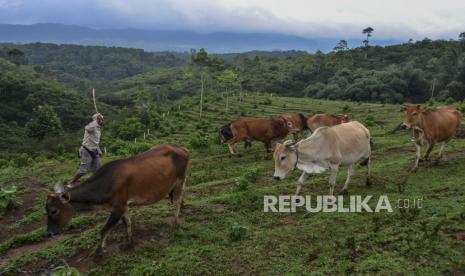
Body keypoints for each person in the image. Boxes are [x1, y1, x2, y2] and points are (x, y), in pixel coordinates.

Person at [69, 113, 104, 187]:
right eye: (101, 119)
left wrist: (99, 150)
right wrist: (96, 121)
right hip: (86, 150)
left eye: (102, 119)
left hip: (94, 151)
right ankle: (71, 182)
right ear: (97, 120)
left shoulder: (98, 129)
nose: (103, 121)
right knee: (83, 171)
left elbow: (95, 142)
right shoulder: (92, 127)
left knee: (98, 169)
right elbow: (87, 128)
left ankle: (97, 184)